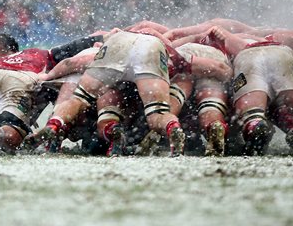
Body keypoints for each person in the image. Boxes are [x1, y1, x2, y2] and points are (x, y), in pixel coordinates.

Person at [192, 26, 293, 156]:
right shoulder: (268, 35)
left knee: (253, 115)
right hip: (282, 54)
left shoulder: (219, 40)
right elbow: (292, 35)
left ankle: (256, 131)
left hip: (248, 58)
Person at [31, 28, 192, 156]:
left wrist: (48, 75)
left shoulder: (111, 39)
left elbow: (72, 62)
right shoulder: (171, 49)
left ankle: (55, 124)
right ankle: (173, 128)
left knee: (78, 99)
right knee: (157, 114)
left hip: (119, 44)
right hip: (152, 49)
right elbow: (198, 67)